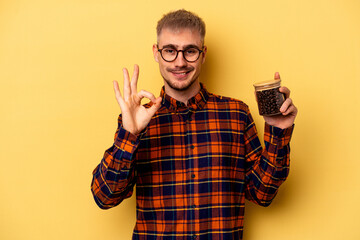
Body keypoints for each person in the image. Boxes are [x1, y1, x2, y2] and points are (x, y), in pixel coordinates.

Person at [91, 9, 297, 240]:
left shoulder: (236, 114)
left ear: (203, 54)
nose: (180, 62)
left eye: (190, 51)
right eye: (170, 51)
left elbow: (262, 194)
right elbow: (105, 197)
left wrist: (278, 132)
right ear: (156, 53)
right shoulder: (137, 120)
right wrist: (129, 134)